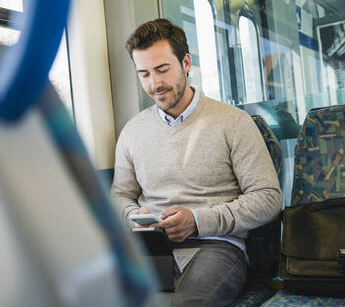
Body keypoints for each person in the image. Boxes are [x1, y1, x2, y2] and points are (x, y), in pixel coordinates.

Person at [111, 18, 282, 306]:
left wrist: (198, 221)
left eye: (162, 70)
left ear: (186, 63)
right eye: (144, 74)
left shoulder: (233, 123)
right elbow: (120, 195)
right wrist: (134, 219)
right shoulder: (132, 131)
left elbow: (269, 198)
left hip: (217, 245)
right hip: (150, 248)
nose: (155, 84)